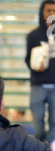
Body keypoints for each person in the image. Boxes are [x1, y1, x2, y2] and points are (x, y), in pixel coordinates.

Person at [25, 0, 55, 142]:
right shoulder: (33, 36)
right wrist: (35, 67)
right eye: (48, 10)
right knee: (37, 120)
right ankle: (40, 147)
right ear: (42, 12)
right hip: (38, 85)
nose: (51, 14)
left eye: (54, 11)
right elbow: (27, 59)